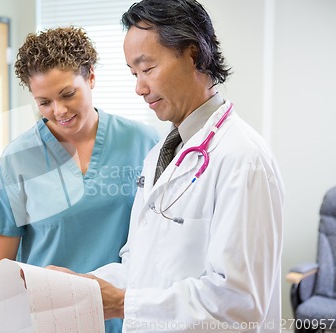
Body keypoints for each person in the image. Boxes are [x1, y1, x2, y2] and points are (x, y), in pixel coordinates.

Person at [51, 1, 285, 332]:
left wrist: (121, 303)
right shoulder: (161, 152)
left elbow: (239, 303)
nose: (139, 88)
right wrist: (85, 286)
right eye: (134, 74)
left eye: (147, 70)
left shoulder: (243, 159)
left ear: (193, 55)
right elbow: (140, 263)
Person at [0, 26, 159, 332]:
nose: (58, 111)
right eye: (43, 102)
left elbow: (160, 237)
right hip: (49, 321)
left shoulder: (144, 141)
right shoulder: (17, 160)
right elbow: (1, 272)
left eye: (67, 94)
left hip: (126, 316)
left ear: (90, 78)